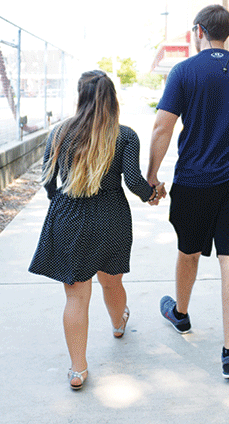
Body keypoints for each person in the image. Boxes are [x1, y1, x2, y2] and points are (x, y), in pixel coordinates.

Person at [147, 4, 229, 380]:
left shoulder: (184, 71)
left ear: (198, 31)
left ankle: (181, 315)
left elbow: (162, 129)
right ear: (227, 33)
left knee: (189, 251)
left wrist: (151, 176)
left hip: (194, 180)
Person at [28, 70, 164, 390]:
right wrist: (152, 194)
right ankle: (119, 323)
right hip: (110, 217)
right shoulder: (124, 135)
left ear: (80, 96)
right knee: (111, 282)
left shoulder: (59, 132)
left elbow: (48, 182)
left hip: (69, 215)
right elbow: (132, 182)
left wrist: (60, 199)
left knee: (76, 295)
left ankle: (78, 370)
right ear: (112, 98)